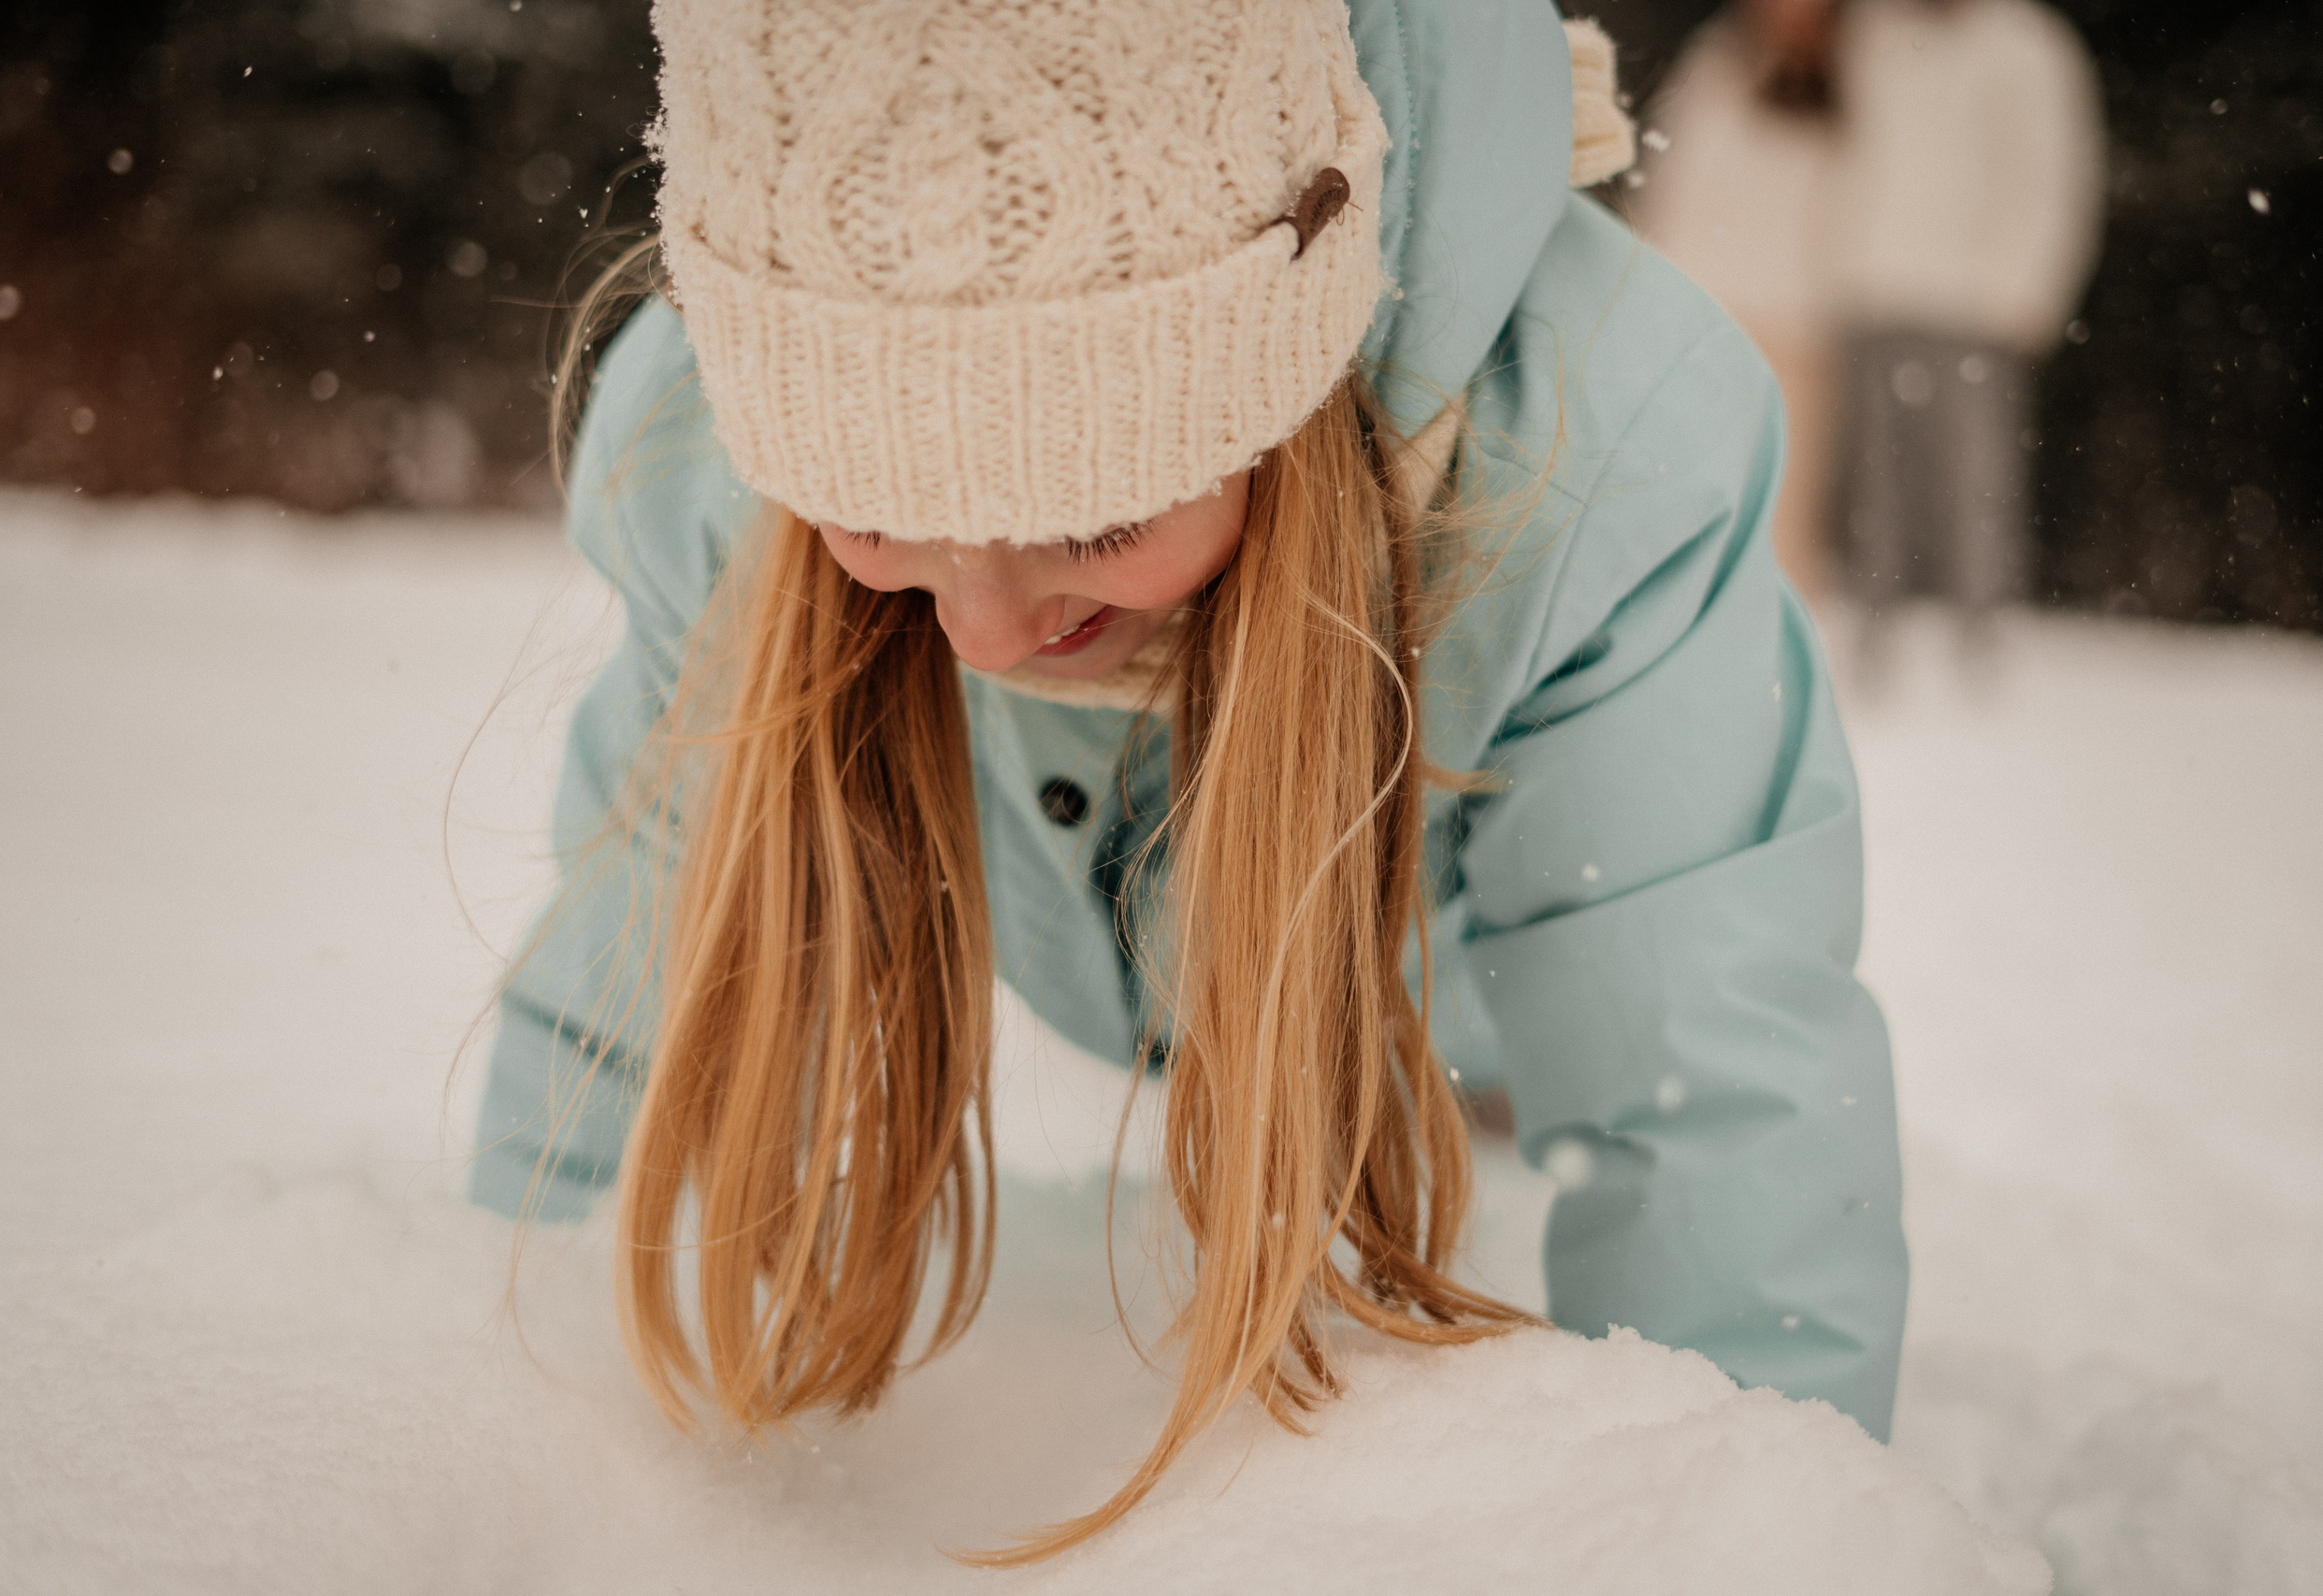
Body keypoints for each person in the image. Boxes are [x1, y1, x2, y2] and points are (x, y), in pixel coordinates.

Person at [469, 0, 1908, 1560]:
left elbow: (1706, 1069)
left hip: (1463, 1005)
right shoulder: (703, 459)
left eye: (1094, 519)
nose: (984, 627)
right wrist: (508, 1386)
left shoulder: (1592, 453)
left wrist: (1744, 1537)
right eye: (872, 517)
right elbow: (642, 962)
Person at [1830, 0, 2104, 653]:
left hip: (1975, 307)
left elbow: (2054, 172)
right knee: (1875, 486)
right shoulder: (1873, 33)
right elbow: (1846, 154)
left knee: (1977, 483)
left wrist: (2030, 290)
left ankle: (1981, 630)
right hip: (1876, 291)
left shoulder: (2028, 45)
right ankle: (1874, 628)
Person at [1634, 0, 1850, 606]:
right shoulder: (1718, 65)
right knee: (1694, 481)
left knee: (1787, 500)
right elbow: (1674, 179)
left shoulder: (1858, 76)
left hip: (1802, 324)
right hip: (1713, 309)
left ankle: (1776, 623)